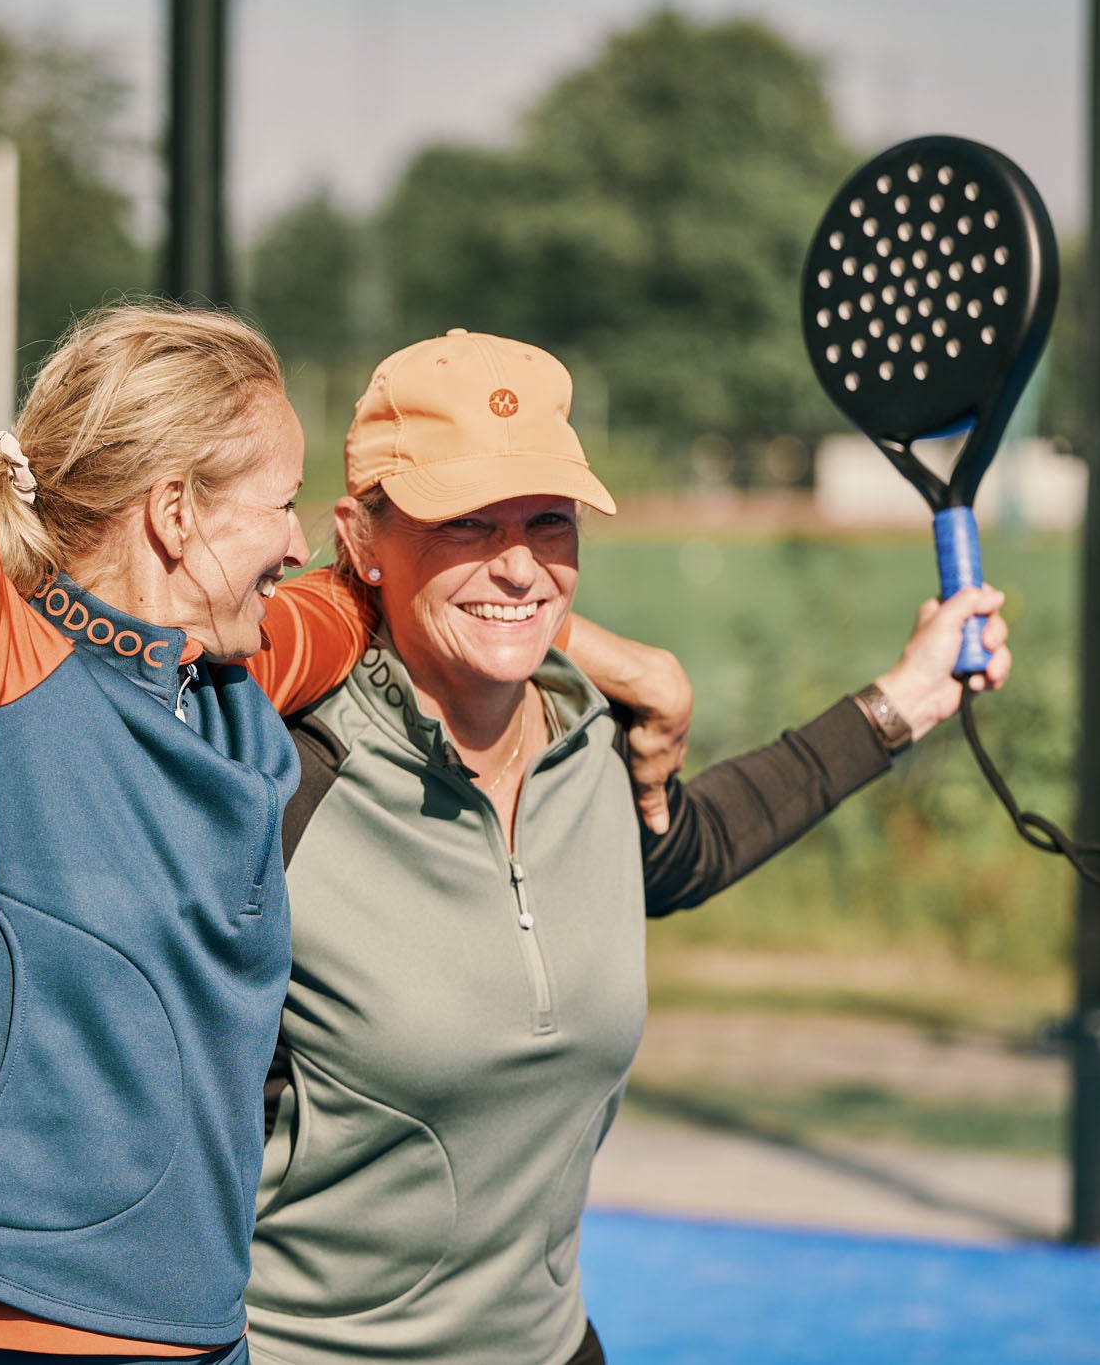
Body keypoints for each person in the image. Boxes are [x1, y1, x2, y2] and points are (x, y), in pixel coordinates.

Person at [0, 0, 690, 1360]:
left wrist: (596, 653)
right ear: (177, 514)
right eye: (275, 495)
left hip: (197, 1342)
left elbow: (407, 594)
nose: (306, 532)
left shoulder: (247, 679)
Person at [246, 329, 1012, 1365]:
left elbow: (687, 848)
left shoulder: (594, 740)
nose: (517, 564)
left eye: (547, 522)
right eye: (466, 522)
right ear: (362, 537)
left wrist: (906, 699)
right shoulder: (281, 775)